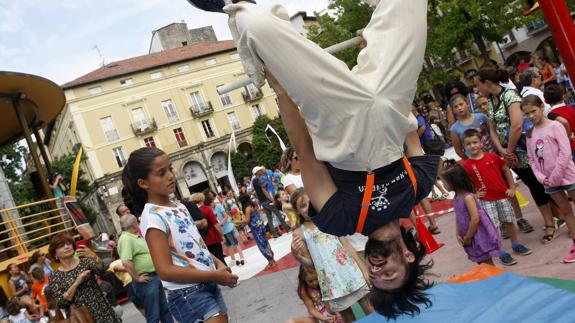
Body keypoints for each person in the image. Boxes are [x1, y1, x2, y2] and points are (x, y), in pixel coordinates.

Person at [188, 0, 439, 317]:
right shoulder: (420, 186)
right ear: (408, 255)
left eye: (375, 279)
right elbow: (411, 128)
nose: (377, 271)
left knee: (256, 25)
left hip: (339, 120)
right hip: (390, 98)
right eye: (389, 273)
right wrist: (380, 48)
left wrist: (281, 91)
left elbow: (305, 152)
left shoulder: (342, 221)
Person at [122, 147, 237, 323]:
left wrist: (219, 264)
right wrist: (215, 275)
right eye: (161, 173)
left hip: (207, 284)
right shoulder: (152, 217)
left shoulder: (179, 206)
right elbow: (165, 271)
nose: (171, 175)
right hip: (189, 294)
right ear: (143, 183)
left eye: (170, 168)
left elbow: (196, 245)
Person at [478, 66, 556, 243]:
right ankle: (553, 218)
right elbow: (492, 127)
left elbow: (517, 125)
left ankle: (551, 221)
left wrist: (510, 150)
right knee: (532, 183)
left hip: (521, 149)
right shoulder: (491, 100)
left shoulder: (510, 96)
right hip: (508, 152)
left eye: (479, 84)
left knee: (537, 183)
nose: (477, 89)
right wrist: (502, 150)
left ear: (487, 83)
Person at [290, 189, 372, 322]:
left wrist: (363, 270)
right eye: (303, 205)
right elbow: (312, 264)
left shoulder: (329, 218)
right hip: (333, 284)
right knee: (348, 319)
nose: (308, 207)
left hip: (353, 273)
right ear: (297, 211)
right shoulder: (300, 233)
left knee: (371, 311)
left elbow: (347, 245)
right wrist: (297, 256)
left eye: (310, 202)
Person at [459, 129, 533, 266]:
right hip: (485, 201)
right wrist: (474, 195)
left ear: (481, 143)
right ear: (464, 146)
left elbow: (505, 169)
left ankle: (516, 244)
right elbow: (465, 184)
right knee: (493, 228)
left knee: (509, 221)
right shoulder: (467, 165)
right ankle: (500, 252)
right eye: (468, 144)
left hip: (503, 196)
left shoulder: (492, 156)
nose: (472, 146)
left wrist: (511, 187)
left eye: (475, 142)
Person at [522, 95, 575, 262]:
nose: (531, 116)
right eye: (527, 113)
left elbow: (565, 152)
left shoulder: (555, 126)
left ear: (541, 107)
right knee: (566, 211)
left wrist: (555, 176)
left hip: (567, 175)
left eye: (533, 111)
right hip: (548, 182)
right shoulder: (529, 134)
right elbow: (532, 159)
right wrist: (540, 177)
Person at [45, 233, 120, 322]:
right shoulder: (55, 276)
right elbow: (62, 303)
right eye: (61, 246)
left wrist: (94, 257)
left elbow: (103, 270)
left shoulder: (85, 262)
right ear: (55, 254)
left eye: (69, 244)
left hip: (102, 310)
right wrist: (76, 283)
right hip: (80, 317)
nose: (67, 247)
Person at [440, 161, 500, 265]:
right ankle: (491, 279)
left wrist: (468, 237)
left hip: (477, 235)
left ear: (453, 182)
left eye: (444, 182)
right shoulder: (456, 198)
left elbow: (475, 219)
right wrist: (458, 233)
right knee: (481, 261)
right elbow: (458, 216)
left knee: (487, 262)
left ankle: (498, 280)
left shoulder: (468, 198)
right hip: (469, 235)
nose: (443, 185)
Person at [117, 214, 174, 323]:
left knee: (164, 310)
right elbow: (126, 261)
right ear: (133, 224)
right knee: (153, 314)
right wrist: (137, 278)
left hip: (153, 277)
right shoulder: (126, 238)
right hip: (147, 280)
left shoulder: (133, 236)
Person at [237, 194, 277, 270]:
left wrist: (238, 222)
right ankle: (272, 260)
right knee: (265, 243)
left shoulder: (247, 208)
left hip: (256, 229)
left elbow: (247, 220)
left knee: (262, 245)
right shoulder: (252, 205)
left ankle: (271, 262)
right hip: (260, 226)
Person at [449, 94, 494, 159]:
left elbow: (493, 134)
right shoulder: (454, 129)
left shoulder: (482, 117)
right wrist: (469, 161)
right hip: (474, 160)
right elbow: (458, 151)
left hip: (492, 153)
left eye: (461, 104)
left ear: (467, 103)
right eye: (456, 107)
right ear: (453, 110)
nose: (459, 108)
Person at [252, 166, 290, 238]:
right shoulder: (259, 180)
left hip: (262, 201)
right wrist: (271, 199)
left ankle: (274, 233)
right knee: (277, 213)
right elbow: (264, 190)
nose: (261, 171)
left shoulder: (254, 181)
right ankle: (287, 228)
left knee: (269, 218)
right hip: (267, 200)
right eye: (259, 170)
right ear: (257, 172)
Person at [213, 192, 245, 266]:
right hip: (223, 229)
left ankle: (242, 257)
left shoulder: (218, 205)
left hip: (228, 226)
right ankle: (233, 259)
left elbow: (225, 216)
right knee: (228, 244)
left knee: (235, 242)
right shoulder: (212, 208)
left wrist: (221, 223)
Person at [544, 84, 575, 160]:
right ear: (562, 97)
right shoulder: (570, 108)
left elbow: (564, 122)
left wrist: (569, 136)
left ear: (546, 101)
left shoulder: (551, 115)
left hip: (571, 148)